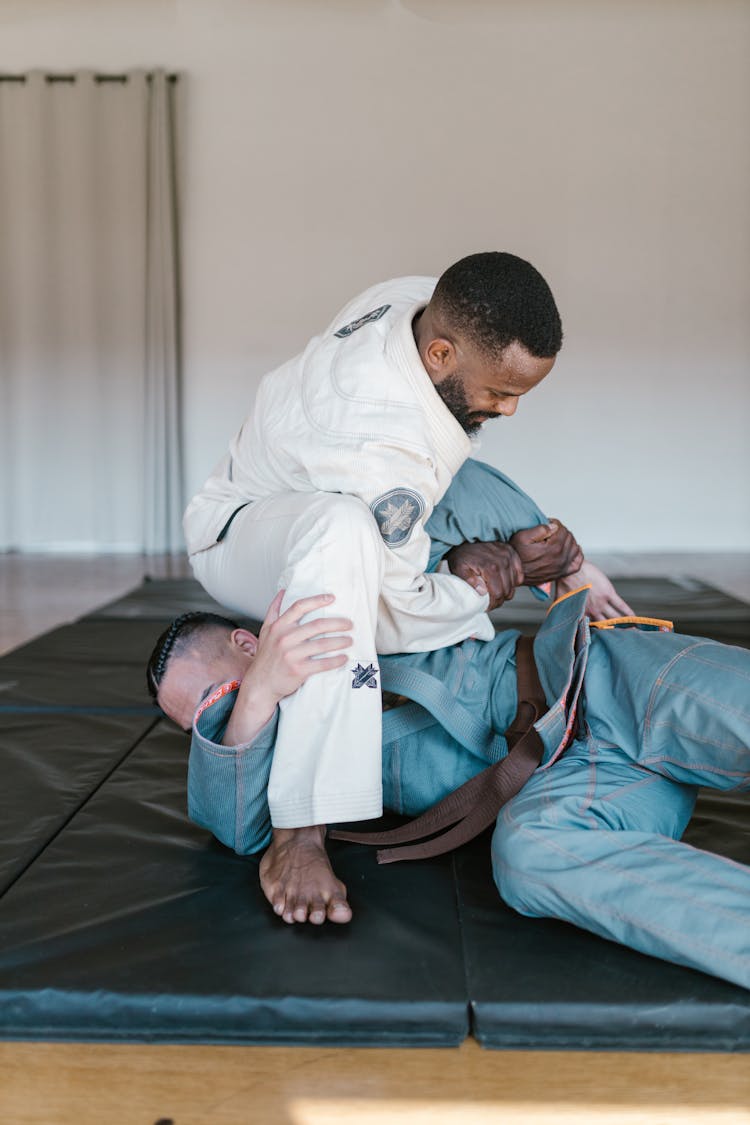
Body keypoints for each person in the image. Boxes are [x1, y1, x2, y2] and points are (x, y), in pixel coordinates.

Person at [180, 253, 630, 914]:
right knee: (342, 530)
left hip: (312, 473)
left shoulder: (410, 301)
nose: (509, 408)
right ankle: (300, 830)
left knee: (445, 489)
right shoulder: (380, 453)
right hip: (237, 531)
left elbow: (452, 481)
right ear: (442, 353)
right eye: (501, 392)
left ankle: (561, 560)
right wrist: (481, 587)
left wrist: (552, 556)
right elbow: (386, 613)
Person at [147, 578, 750, 990]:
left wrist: (552, 551)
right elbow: (235, 829)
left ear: (249, 643)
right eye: (200, 729)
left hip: (602, 680)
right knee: (529, 857)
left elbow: (437, 482)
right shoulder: (279, 766)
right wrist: (252, 696)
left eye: (215, 700)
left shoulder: (332, 603)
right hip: (573, 784)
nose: (220, 726)